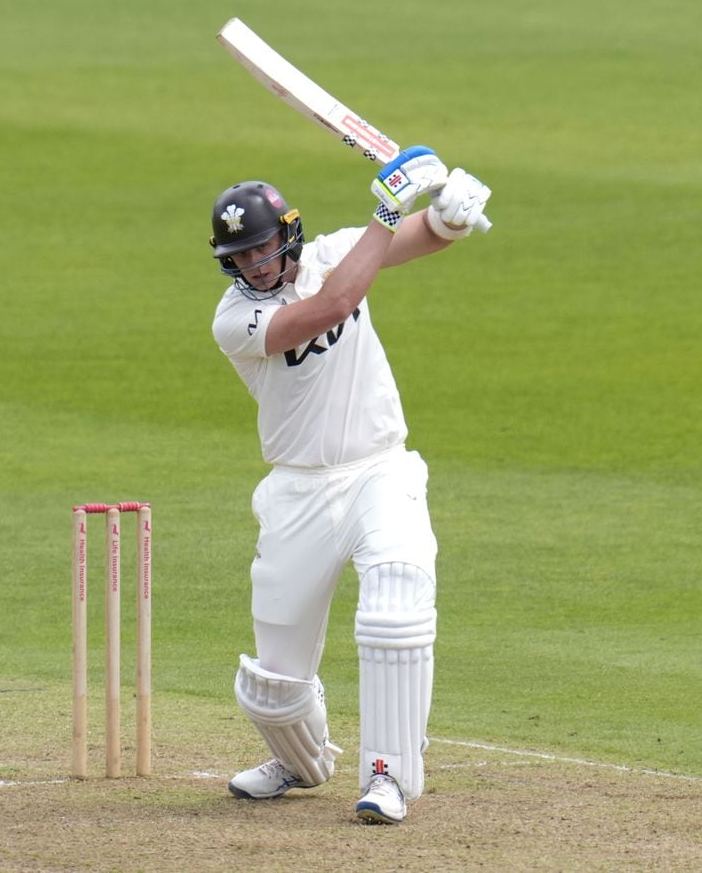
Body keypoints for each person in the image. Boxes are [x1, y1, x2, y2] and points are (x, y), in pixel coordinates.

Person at [208, 147, 491, 824]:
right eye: (240, 256)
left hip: (379, 471)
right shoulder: (233, 320)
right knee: (274, 686)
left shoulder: (333, 251)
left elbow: (413, 240)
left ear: (289, 236)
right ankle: (300, 763)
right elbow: (336, 303)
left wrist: (448, 216)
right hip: (299, 492)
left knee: (395, 605)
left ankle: (390, 775)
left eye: (262, 249)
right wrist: (389, 206)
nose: (254, 264)